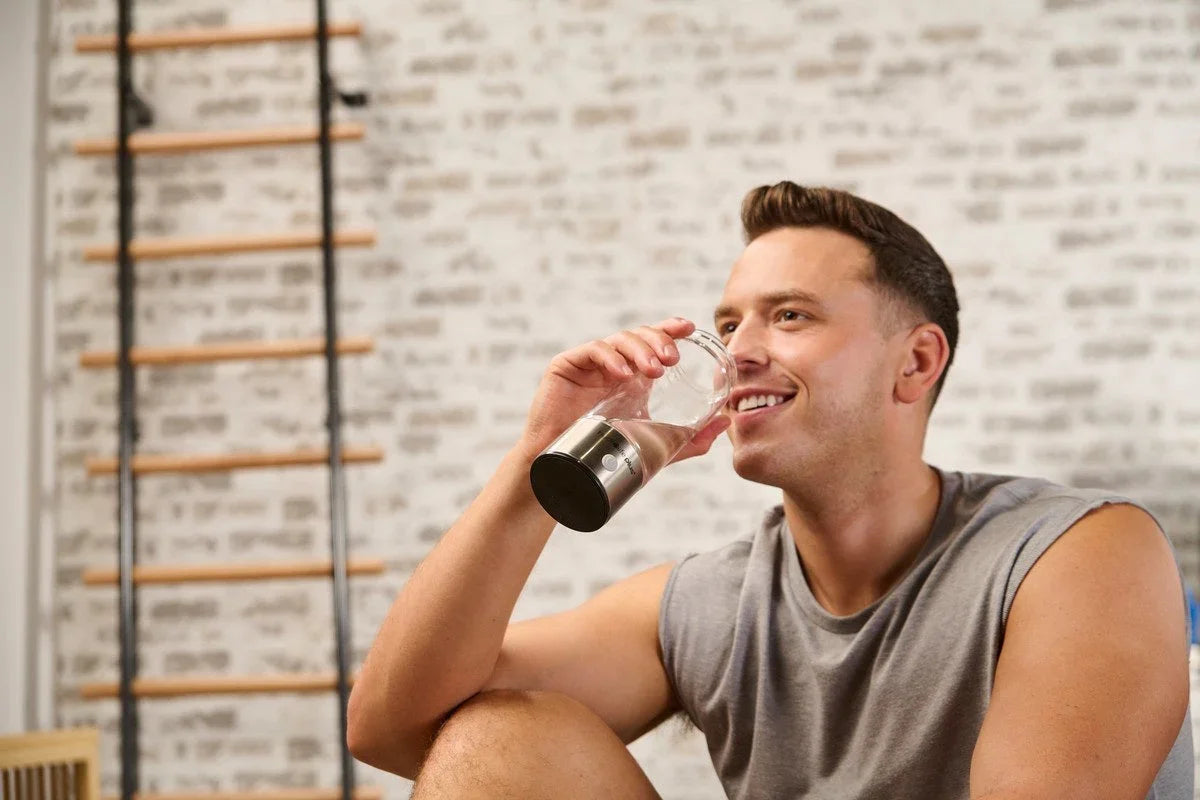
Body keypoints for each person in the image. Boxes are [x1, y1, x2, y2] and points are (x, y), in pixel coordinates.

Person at [346, 182, 1193, 799]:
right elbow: (395, 727)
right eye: (728, 324)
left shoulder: (1080, 551)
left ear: (916, 362)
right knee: (495, 740)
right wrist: (537, 464)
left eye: (790, 315)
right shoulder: (713, 603)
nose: (739, 351)